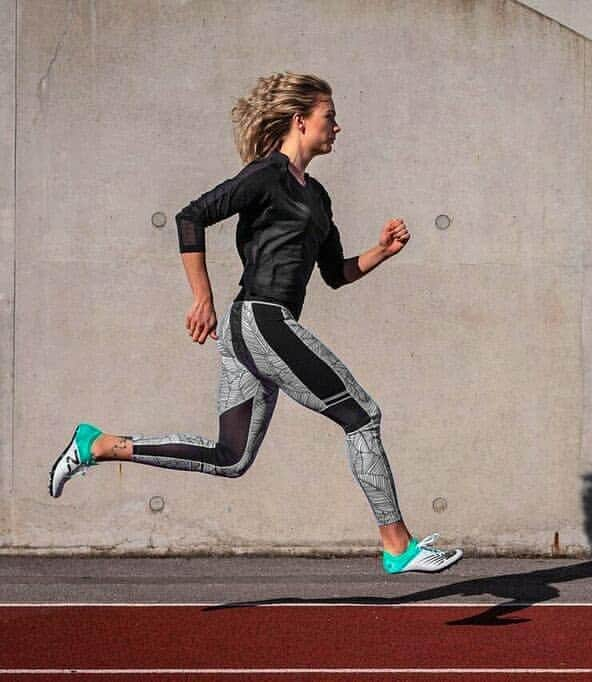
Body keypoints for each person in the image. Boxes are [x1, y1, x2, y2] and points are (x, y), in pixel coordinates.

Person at [48, 72, 462, 574]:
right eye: (330, 117)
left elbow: (334, 274)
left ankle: (98, 445)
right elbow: (190, 217)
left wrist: (382, 251)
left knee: (231, 457)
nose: (338, 127)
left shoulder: (320, 198)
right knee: (362, 416)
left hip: (256, 333)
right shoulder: (267, 175)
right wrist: (202, 298)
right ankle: (397, 544)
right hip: (260, 320)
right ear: (300, 120)